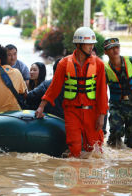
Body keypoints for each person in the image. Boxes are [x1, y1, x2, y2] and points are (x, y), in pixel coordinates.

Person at [35, 27, 108, 158]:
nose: (92, 47)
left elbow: (102, 92)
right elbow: (54, 87)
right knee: (74, 148)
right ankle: (75, 176)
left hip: (92, 112)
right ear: (78, 45)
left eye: (93, 44)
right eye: (88, 44)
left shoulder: (99, 64)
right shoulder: (64, 63)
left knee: (95, 150)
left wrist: (102, 116)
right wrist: (41, 106)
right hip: (72, 112)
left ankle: (91, 177)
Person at [104, 38, 132, 148]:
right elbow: (100, 90)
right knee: (116, 131)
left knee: (131, 142)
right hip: (116, 105)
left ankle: (128, 162)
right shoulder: (104, 68)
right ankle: (112, 155)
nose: (115, 50)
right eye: (111, 48)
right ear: (105, 52)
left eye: (117, 47)